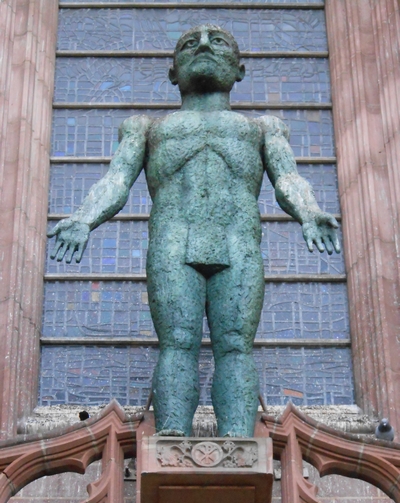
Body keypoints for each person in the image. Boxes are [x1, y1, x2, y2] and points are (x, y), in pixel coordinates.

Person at [48, 25, 340, 438]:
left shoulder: (262, 129)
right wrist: (83, 218)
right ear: (173, 74)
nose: (203, 45)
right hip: (173, 243)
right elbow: (116, 180)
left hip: (237, 244)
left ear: (239, 70)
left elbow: (288, 178)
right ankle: (170, 441)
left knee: (235, 344)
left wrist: (309, 212)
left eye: (217, 42)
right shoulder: (145, 128)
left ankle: (239, 442)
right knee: (177, 343)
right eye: (189, 44)